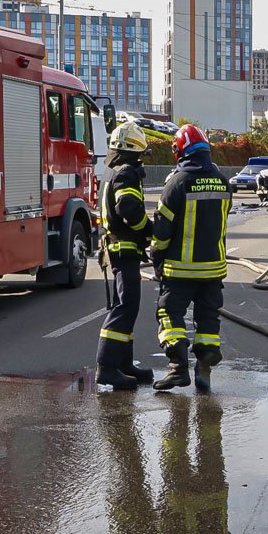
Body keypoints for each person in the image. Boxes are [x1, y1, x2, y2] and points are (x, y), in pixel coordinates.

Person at [149, 124, 232, 392]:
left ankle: (178, 369)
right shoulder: (222, 181)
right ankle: (204, 367)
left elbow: (162, 229)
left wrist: (156, 256)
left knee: (169, 313)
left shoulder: (177, 183)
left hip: (180, 269)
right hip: (213, 269)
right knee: (208, 318)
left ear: (179, 150)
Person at [96, 121, 154, 390]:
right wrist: (148, 229)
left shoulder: (112, 171)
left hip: (118, 249)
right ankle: (107, 367)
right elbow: (127, 207)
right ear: (134, 149)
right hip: (124, 249)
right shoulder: (127, 172)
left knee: (126, 306)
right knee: (125, 307)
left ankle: (123, 363)